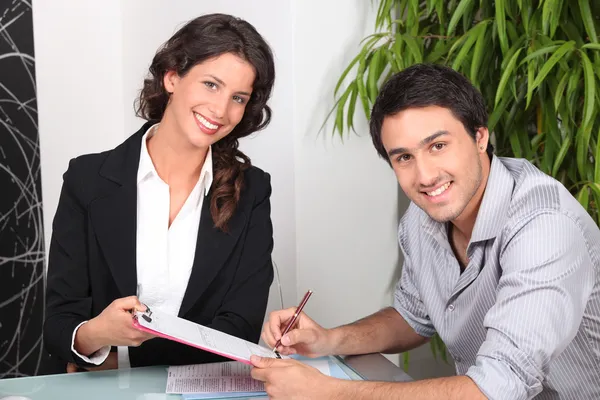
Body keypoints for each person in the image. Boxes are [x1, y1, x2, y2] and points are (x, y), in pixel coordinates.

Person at [252, 64, 600, 399]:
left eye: (438, 146)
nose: (425, 176)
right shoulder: (423, 219)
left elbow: (496, 389)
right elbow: (413, 317)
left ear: (480, 137)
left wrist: (329, 394)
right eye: (404, 158)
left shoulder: (544, 228)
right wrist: (329, 339)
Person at [43, 13, 276, 373]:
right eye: (211, 85)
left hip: (197, 393)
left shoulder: (253, 191)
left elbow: (238, 329)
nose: (221, 110)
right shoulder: (87, 179)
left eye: (238, 97)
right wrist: (95, 335)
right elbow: (60, 325)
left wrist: (123, 357)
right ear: (171, 77)